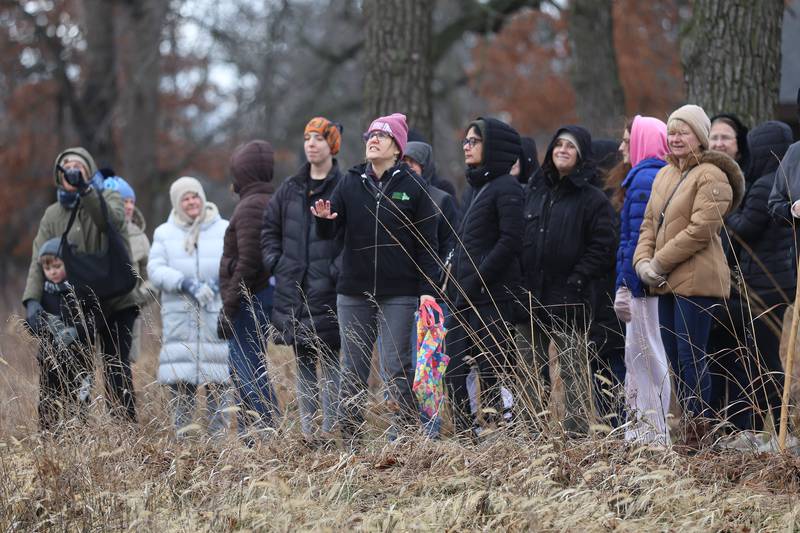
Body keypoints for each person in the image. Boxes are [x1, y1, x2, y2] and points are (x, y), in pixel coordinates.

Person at [311, 112, 439, 446]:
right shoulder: (351, 181)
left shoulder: (414, 187)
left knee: (397, 367)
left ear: (397, 147)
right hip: (353, 292)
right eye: (370, 135)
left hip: (399, 292)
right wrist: (323, 220)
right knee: (352, 370)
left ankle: (406, 439)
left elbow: (429, 245)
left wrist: (428, 290)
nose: (373, 140)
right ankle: (351, 442)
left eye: (382, 136)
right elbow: (329, 233)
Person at [633, 104, 744, 449]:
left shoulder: (712, 175)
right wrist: (642, 262)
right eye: (672, 131)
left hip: (698, 282)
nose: (675, 137)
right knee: (674, 360)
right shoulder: (665, 174)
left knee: (691, 357)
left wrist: (659, 262)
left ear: (700, 137)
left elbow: (700, 230)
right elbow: (649, 223)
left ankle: (699, 435)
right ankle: (686, 432)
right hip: (665, 282)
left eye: (683, 131)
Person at [23, 147, 139, 422]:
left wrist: (86, 190)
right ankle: (72, 431)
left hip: (116, 299)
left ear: (88, 172)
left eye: (79, 167)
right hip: (78, 304)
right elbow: (37, 259)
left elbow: (109, 221)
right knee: (74, 368)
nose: (73, 171)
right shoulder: (52, 214)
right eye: (67, 168)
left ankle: (126, 434)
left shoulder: (108, 197)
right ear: (57, 176)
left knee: (116, 369)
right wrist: (32, 301)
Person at [520, 126, 616, 437]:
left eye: (570, 146)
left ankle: (576, 437)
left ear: (581, 155)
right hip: (531, 297)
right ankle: (531, 436)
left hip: (569, 298)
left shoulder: (593, 199)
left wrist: (578, 279)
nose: (562, 149)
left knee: (574, 372)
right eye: (558, 144)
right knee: (529, 370)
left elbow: (603, 247)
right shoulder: (535, 193)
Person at [709, 120, 795, 450]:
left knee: (765, 359)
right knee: (767, 355)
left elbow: (743, 229)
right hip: (779, 281)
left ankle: (774, 426)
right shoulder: (786, 180)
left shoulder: (763, 185)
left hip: (763, 286)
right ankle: (773, 425)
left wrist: (724, 211)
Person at [261, 119, 343, 445]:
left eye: (319, 138)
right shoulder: (290, 187)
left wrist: (337, 271)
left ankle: (333, 432)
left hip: (331, 291)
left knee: (333, 363)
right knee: (305, 363)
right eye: (307, 137)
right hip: (296, 290)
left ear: (332, 145)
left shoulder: (344, 185)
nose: (311, 144)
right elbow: (269, 230)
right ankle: (310, 435)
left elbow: (352, 236)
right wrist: (278, 264)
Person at [444, 117, 522, 440]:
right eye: (465, 141)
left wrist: (479, 275)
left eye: (474, 141)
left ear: (492, 146)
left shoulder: (507, 187)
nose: (466, 146)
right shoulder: (473, 188)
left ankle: (498, 437)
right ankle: (467, 436)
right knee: (454, 370)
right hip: (464, 297)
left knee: (494, 370)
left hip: (494, 297)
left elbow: (511, 240)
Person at [148, 177, 231, 437]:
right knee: (181, 387)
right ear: (177, 202)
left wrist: (218, 283)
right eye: (185, 198)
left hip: (215, 318)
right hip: (180, 323)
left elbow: (234, 262)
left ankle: (219, 448)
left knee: (218, 384)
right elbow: (155, 270)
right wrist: (185, 283)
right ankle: (184, 450)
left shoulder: (223, 228)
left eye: (195, 196)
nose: (192, 201)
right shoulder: (164, 232)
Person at [612, 115, 671, 445]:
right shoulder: (646, 175)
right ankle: (640, 431)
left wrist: (626, 283)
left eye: (627, 139)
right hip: (642, 284)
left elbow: (635, 239)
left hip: (643, 287)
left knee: (645, 357)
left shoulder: (644, 178)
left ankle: (650, 434)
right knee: (640, 356)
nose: (622, 146)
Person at [218, 141, 281, 438]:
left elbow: (249, 262)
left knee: (246, 364)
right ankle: (248, 436)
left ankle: (267, 430)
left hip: (250, 298)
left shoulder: (250, 206)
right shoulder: (268, 200)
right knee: (244, 363)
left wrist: (229, 307)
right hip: (258, 294)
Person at [402, 140, 461, 437]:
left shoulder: (441, 200)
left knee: (427, 366)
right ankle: (402, 429)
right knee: (401, 365)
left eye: (412, 163)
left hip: (433, 297)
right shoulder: (394, 198)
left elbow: (452, 245)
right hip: (400, 293)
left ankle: (430, 430)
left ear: (424, 166)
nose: (406, 169)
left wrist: (437, 279)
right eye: (402, 163)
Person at [27, 238, 93, 432]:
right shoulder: (43, 294)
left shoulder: (80, 290)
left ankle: (79, 438)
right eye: (48, 269)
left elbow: (93, 322)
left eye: (57, 266)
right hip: (50, 360)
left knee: (79, 401)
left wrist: (76, 330)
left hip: (80, 359)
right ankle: (50, 439)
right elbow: (32, 325)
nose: (53, 272)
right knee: (49, 400)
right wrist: (46, 324)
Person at [103, 176, 151, 363]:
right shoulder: (94, 233)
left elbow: (152, 277)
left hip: (129, 317)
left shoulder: (140, 237)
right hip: (98, 316)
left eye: (132, 201)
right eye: (124, 201)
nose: (130, 206)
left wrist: (137, 298)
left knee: (122, 368)